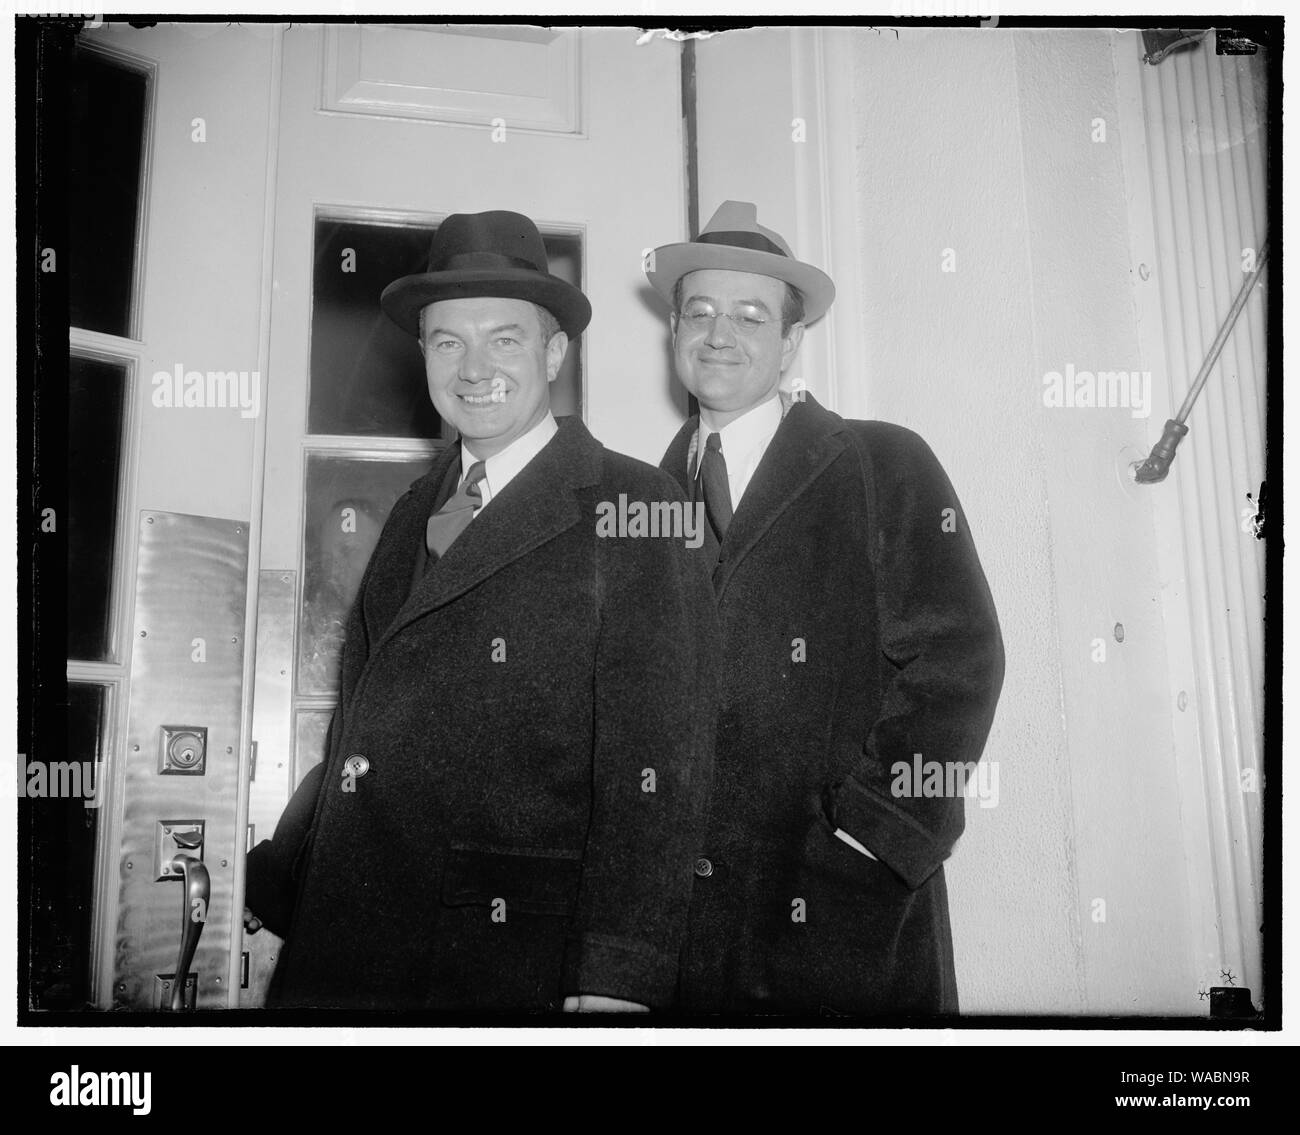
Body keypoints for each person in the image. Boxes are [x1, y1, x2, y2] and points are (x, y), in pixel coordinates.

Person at [245, 210, 717, 1012]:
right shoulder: (409, 513)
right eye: (447, 341)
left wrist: (616, 970)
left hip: (512, 963)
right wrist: (296, 871)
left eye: (504, 338)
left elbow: (660, 758)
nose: (474, 367)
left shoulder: (637, 503)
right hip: (353, 949)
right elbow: (361, 729)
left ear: (554, 352)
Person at [646, 201, 1005, 1016]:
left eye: (749, 315)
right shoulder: (641, 500)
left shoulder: (882, 463)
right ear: (672, 330)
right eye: (698, 312)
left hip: (845, 920)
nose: (719, 334)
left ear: (790, 342)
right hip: (683, 943)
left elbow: (962, 661)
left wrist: (875, 835)